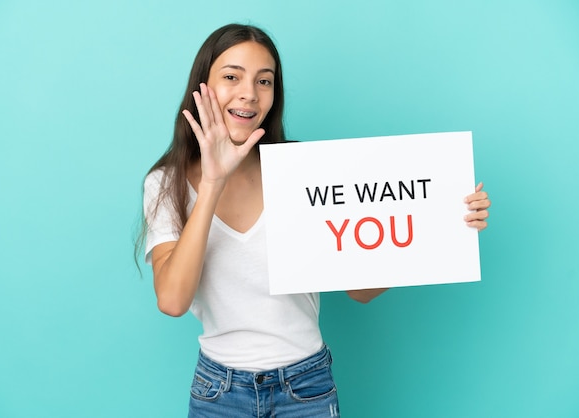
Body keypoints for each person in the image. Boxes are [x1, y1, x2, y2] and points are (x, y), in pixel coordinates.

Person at [139, 23, 491, 418]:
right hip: (218, 392)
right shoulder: (165, 183)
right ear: (202, 87)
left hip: (305, 387)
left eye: (264, 81)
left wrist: (439, 223)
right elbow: (171, 300)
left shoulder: (303, 171)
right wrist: (213, 182)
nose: (249, 94)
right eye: (231, 77)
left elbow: (361, 290)